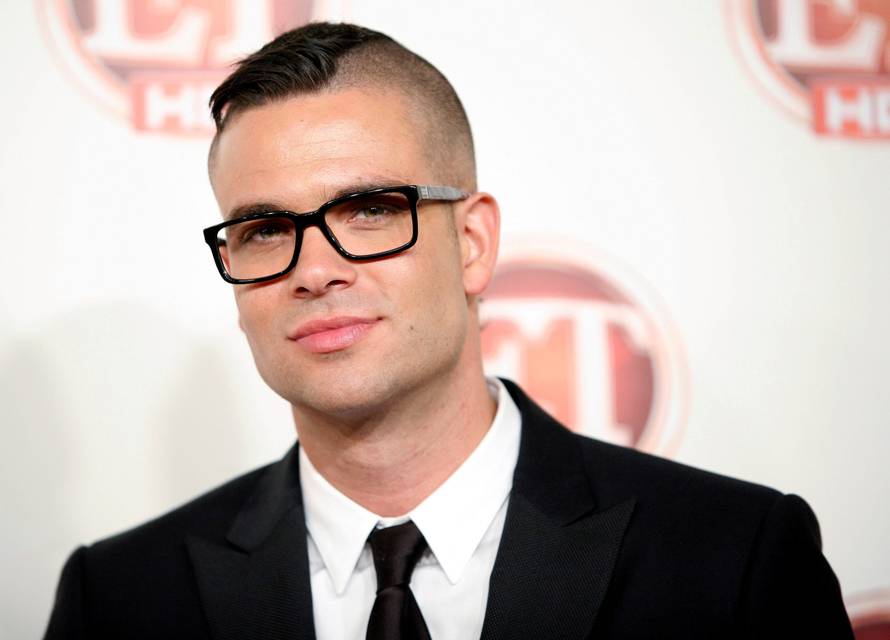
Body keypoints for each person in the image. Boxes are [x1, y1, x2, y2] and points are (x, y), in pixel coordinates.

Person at [44, 22, 854, 640]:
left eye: (369, 211)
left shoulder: (734, 561)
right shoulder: (118, 597)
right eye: (261, 229)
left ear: (472, 245)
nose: (314, 270)